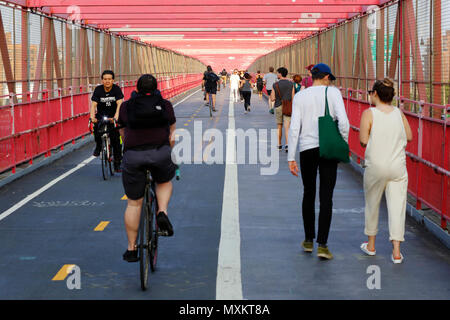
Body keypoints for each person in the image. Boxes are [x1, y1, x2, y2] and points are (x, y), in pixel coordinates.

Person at [288, 63, 350, 260]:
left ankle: (308, 240)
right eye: (330, 78)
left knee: (308, 193)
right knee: (326, 196)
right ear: (325, 77)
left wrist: (291, 157)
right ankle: (323, 244)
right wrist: (343, 143)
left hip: (307, 149)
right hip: (328, 148)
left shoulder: (300, 96)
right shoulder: (332, 93)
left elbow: (294, 127)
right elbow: (344, 123)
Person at [117, 74, 177, 262]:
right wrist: (169, 151)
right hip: (159, 152)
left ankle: (132, 248)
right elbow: (172, 134)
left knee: (134, 203)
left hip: (134, 155)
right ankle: (162, 212)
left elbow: (121, 130)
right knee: (164, 181)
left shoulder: (127, 106)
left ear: (137, 87)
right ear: (156, 86)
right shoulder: (165, 105)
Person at [359, 78, 413, 264]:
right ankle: (396, 252)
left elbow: (363, 140)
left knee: (372, 204)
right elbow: (410, 136)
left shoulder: (369, 113)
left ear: (375, 94)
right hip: (397, 167)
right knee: (397, 207)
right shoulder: (399, 113)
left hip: (376, 166)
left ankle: (371, 246)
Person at [90, 70, 124, 172]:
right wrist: (92, 117)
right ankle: (98, 147)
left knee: (116, 140)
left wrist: (116, 116)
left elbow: (119, 104)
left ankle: (117, 164)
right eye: (105, 79)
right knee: (97, 130)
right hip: (101, 116)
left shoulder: (116, 89)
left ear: (113, 80)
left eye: (109, 79)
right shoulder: (98, 90)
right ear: (102, 80)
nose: (107, 81)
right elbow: (93, 105)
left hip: (113, 116)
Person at [270, 67, 293, 152]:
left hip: (279, 106)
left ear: (280, 74)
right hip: (288, 106)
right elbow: (293, 97)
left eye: (277, 73)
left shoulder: (275, 85)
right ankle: (287, 144)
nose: (277, 74)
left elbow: (272, 99)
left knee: (279, 126)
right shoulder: (291, 84)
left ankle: (279, 144)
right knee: (287, 127)